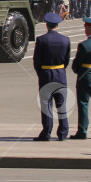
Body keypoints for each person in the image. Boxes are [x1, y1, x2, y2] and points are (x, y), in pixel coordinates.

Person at [32, 12, 71, 141]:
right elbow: (66, 60)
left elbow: (37, 61)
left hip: (46, 74)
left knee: (46, 104)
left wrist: (41, 72)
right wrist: (60, 70)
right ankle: (63, 132)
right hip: (60, 74)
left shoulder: (42, 40)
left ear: (47, 25)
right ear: (57, 25)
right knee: (61, 104)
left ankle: (46, 132)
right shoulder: (65, 40)